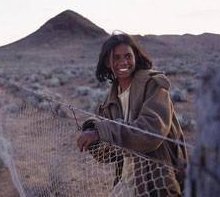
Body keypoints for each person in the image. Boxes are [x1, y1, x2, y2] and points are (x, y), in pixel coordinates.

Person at [77, 32, 188, 196]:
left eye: (128, 56)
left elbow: (151, 131)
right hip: (127, 179)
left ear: (136, 57)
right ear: (108, 62)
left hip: (157, 179)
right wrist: (95, 134)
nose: (123, 62)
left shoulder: (153, 85)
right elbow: (109, 155)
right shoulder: (111, 100)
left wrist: (102, 131)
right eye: (116, 58)